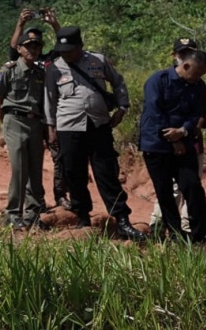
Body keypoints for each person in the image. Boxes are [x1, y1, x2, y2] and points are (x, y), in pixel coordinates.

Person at [43, 26, 146, 241]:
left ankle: (122, 220)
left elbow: (117, 81)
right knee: (74, 173)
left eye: (70, 50)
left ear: (80, 46)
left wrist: (123, 108)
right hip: (68, 127)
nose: (66, 55)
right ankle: (82, 217)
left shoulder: (97, 60)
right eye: (62, 51)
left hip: (98, 125)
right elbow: (50, 100)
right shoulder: (54, 68)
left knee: (107, 173)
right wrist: (51, 129)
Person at [139, 48, 206, 242]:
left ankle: (201, 233)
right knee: (164, 191)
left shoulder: (198, 86)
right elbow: (155, 111)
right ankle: (176, 236)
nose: (198, 77)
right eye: (197, 73)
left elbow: (197, 114)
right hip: (156, 145)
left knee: (192, 186)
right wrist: (173, 138)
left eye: (202, 75)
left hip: (184, 142)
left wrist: (183, 132)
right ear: (185, 65)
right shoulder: (158, 81)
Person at [7, 8, 70, 211]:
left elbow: (64, 46)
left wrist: (54, 24)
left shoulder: (49, 61)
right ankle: (35, 202)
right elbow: (13, 46)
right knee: (29, 162)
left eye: (37, 42)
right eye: (29, 42)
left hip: (50, 118)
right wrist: (20, 23)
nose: (33, 45)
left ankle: (60, 195)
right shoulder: (22, 62)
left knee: (58, 157)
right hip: (30, 119)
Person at [0, 31, 47, 229]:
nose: (32, 50)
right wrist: (6, 122)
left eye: (36, 46)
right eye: (28, 46)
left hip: (36, 123)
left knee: (35, 170)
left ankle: (33, 213)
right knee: (19, 170)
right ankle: (13, 214)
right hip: (15, 120)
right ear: (19, 49)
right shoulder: (10, 69)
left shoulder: (41, 72)